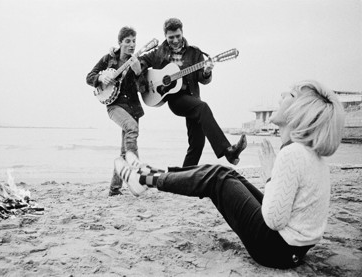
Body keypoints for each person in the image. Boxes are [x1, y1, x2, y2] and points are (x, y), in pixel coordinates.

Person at [114, 80, 345, 269]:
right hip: (292, 250)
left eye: (291, 95)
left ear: (299, 112)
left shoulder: (293, 154)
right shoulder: (309, 155)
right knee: (226, 173)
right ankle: (152, 174)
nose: (283, 93)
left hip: (275, 250)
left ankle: (143, 179)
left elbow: (275, 219)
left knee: (217, 178)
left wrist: (269, 175)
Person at [138, 18, 247, 166]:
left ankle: (184, 179)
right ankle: (228, 151)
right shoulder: (158, 53)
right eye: (171, 37)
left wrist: (207, 71)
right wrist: (146, 82)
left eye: (178, 36)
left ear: (182, 33)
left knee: (197, 144)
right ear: (165, 36)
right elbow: (140, 62)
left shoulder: (194, 53)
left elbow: (203, 79)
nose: (175, 40)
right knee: (203, 107)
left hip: (193, 98)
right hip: (176, 100)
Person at [86, 26, 144, 196]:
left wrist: (138, 72)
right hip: (114, 106)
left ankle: (114, 189)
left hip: (132, 107)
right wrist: (100, 78)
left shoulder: (138, 60)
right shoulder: (109, 59)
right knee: (132, 128)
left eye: (134, 41)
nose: (132, 44)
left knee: (124, 150)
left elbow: (143, 88)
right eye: (128, 41)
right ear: (120, 43)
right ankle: (135, 172)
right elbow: (89, 77)